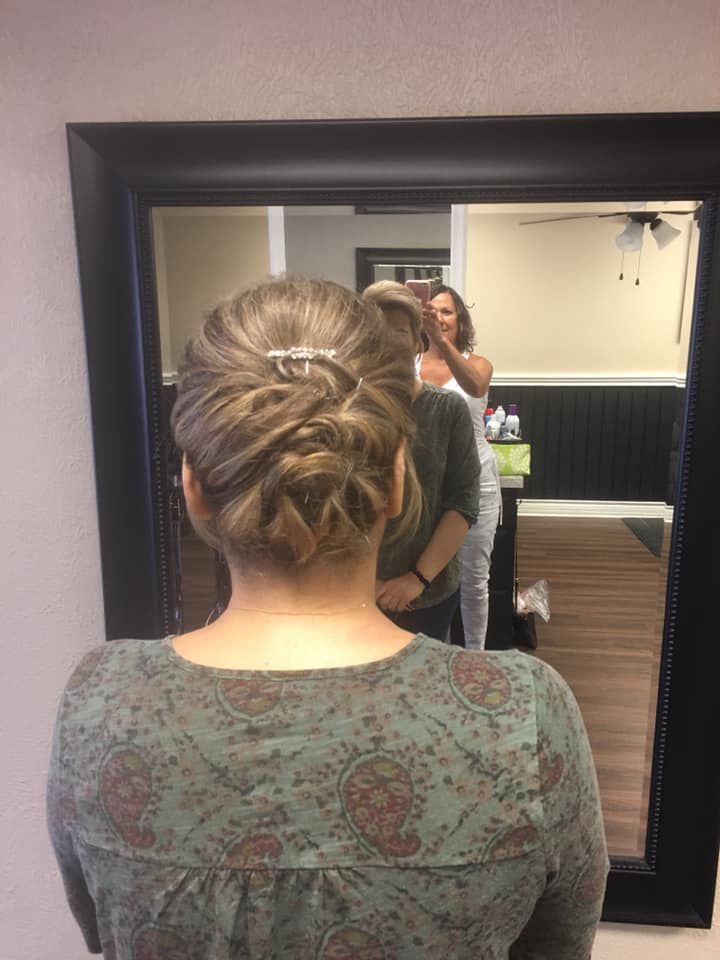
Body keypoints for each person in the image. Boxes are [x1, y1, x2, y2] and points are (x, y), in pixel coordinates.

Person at [48, 277, 608, 959]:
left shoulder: (100, 703)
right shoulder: (524, 717)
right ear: (398, 481)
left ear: (193, 485)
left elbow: (103, 932)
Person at [363, 280, 480, 643]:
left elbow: (462, 504)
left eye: (398, 331)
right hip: (355, 589)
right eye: (374, 332)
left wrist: (416, 579)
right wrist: (367, 581)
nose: (387, 341)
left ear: (418, 341)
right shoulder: (345, 411)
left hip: (428, 590)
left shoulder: (448, 410)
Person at [420, 283, 501, 650]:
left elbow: (476, 385)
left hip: (477, 485)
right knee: (429, 577)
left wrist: (441, 341)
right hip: (425, 488)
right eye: (432, 310)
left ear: (460, 319)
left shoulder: (477, 362)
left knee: (473, 580)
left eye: (447, 311)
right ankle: (438, 654)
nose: (439, 316)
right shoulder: (409, 366)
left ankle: (475, 658)